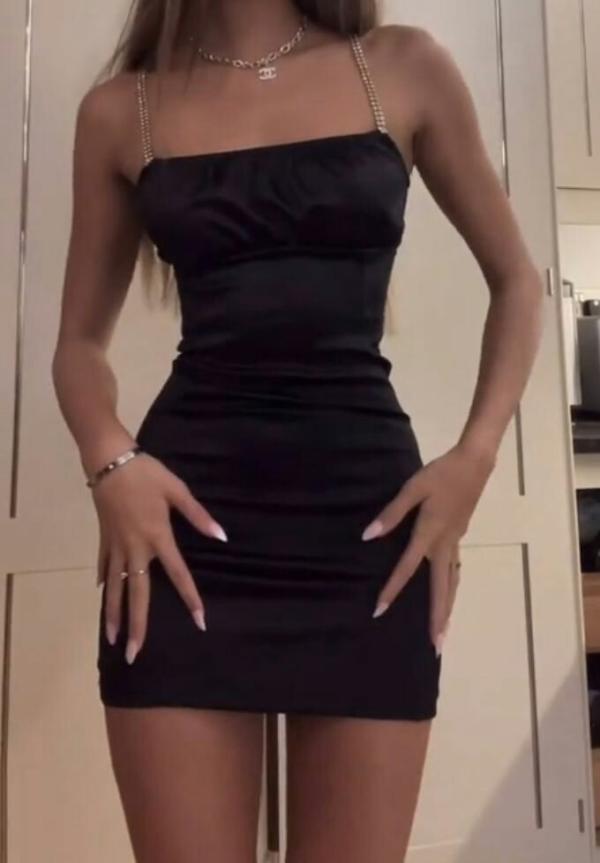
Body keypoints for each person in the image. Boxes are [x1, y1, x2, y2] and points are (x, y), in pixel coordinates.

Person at [51, 1, 544, 860]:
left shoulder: (402, 68)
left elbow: (518, 281)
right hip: (184, 536)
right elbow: (79, 346)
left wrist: (475, 457)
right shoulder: (121, 110)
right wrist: (110, 459)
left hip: (367, 536)